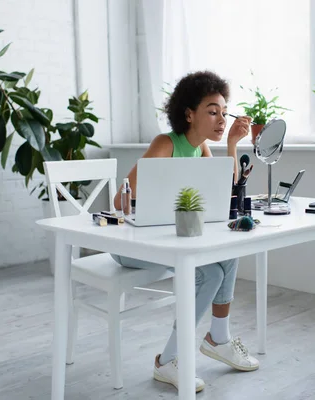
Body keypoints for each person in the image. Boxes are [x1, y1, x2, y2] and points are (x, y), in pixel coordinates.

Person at [111, 70, 258, 393]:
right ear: (189, 114)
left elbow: (227, 188)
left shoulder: (202, 148)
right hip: (135, 244)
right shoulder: (166, 144)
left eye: (223, 111)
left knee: (227, 252)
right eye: (211, 111)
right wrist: (132, 197)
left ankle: (218, 337)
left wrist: (232, 144)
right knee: (210, 275)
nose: (220, 119)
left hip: (171, 241)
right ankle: (169, 360)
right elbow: (120, 199)